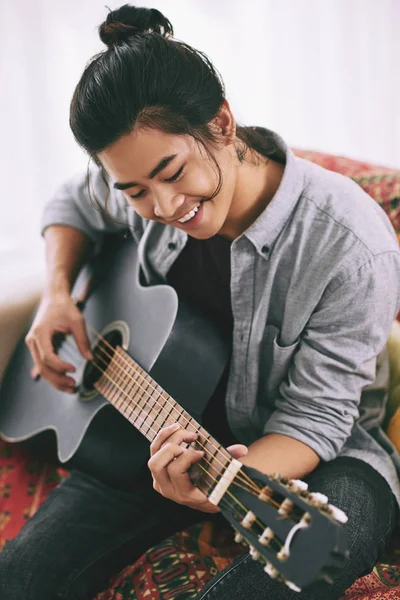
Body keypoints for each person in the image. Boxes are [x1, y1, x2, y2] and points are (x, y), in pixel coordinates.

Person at [0, 4, 399, 599]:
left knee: (299, 562)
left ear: (222, 122)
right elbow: (72, 203)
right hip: (146, 435)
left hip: (319, 452)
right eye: (135, 191)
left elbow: (317, 420)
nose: (163, 207)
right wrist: (58, 294)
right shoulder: (141, 192)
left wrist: (221, 482)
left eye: (172, 172)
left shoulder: (349, 243)